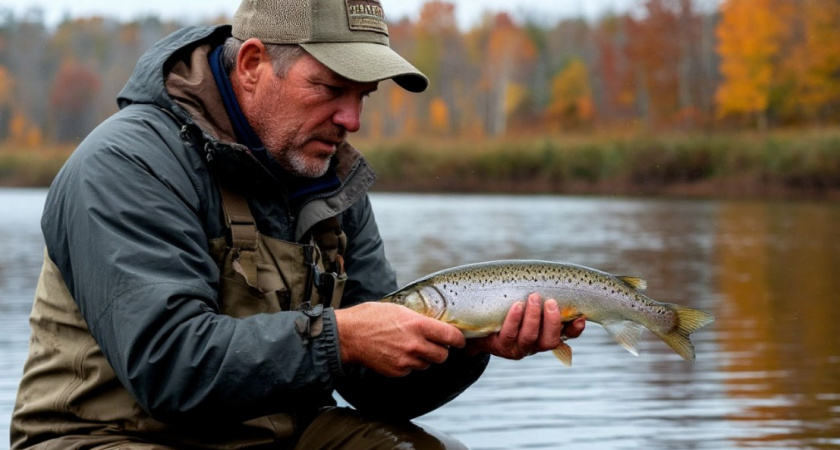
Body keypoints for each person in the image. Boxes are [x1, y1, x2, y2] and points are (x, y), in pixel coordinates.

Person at [10, 0, 586, 448]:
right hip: (107, 439)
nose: (351, 119)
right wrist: (344, 337)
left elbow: (372, 387)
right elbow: (170, 366)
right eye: (331, 89)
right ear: (254, 63)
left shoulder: (325, 172)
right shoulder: (126, 165)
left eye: (364, 95)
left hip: (275, 435)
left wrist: (465, 345)